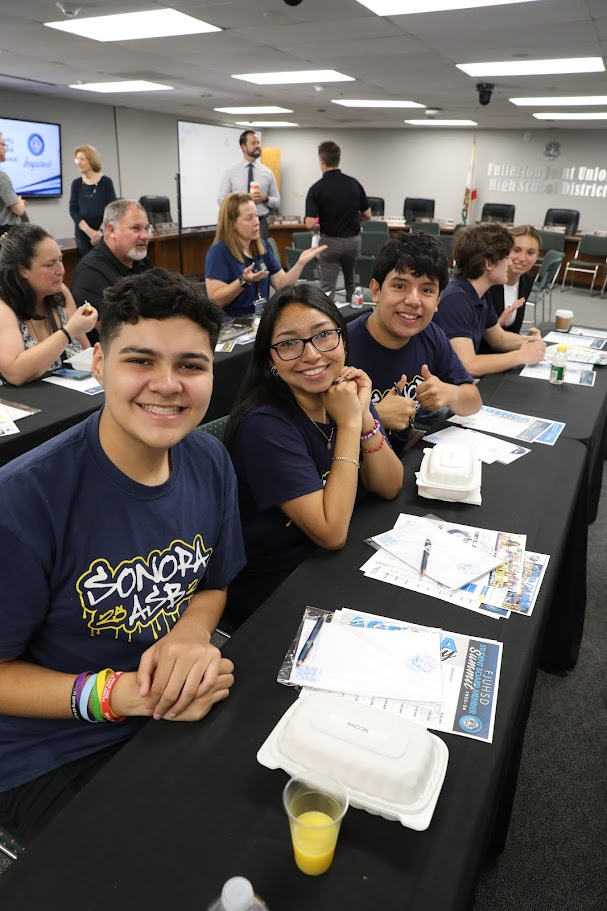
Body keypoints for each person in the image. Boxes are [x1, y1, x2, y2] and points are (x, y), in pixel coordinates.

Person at [0, 267, 245, 844]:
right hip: (48, 746)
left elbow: (212, 584)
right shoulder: (26, 500)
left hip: (163, 706)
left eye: (191, 365)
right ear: (98, 363)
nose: (168, 384)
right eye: (140, 360)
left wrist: (190, 635)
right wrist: (117, 694)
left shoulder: (209, 462)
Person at [224, 284, 404, 629]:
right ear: (271, 358)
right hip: (279, 581)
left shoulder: (342, 395)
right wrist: (350, 424)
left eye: (324, 336)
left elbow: (389, 485)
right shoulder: (264, 425)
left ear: (342, 340)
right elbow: (330, 532)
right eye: (289, 343)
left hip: (335, 559)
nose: (311, 354)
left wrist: (364, 415)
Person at [347, 232, 481, 451]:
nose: (413, 300)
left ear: (438, 300)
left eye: (427, 290)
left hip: (403, 457)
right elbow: (311, 428)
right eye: (400, 286)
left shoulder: (431, 335)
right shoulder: (342, 346)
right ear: (376, 290)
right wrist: (373, 416)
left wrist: (450, 393)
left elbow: (473, 401)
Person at [433, 222, 546, 377]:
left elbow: (499, 338)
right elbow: (467, 365)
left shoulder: (480, 294)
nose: (510, 262)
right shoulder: (456, 299)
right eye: (506, 257)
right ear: (488, 263)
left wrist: (530, 343)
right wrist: (521, 356)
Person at [0, 223, 96, 386]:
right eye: (50, 265)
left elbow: (88, 355)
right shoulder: (4, 307)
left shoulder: (60, 293)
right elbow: (15, 373)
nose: (61, 270)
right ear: (23, 270)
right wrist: (69, 331)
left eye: (60, 260)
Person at [205, 192, 326, 319]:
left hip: (261, 319)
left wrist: (300, 263)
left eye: (256, 216)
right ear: (232, 223)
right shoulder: (219, 252)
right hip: (234, 324)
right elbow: (215, 300)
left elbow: (281, 285)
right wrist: (243, 281)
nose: (256, 222)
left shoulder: (262, 247)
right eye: (249, 218)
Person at [71, 199, 153, 342]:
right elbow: (114, 333)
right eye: (136, 228)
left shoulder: (143, 264)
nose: (145, 236)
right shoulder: (89, 274)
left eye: (146, 228)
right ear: (111, 230)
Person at [304, 140, 371, 302]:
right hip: (353, 242)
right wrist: (354, 218)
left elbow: (310, 223)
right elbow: (368, 214)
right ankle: (352, 316)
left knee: (327, 287)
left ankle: (328, 320)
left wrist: (320, 224)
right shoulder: (354, 184)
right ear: (338, 159)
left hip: (329, 243)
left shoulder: (316, 188)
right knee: (352, 284)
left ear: (322, 161)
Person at [482, 225, 541, 350]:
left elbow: (514, 331)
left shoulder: (526, 280)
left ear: (537, 256)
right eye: (516, 250)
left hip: (507, 351)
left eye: (530, 253)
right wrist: (498, 325)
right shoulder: (489, 281)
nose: (522, 258)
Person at [217, 130, 280, 241]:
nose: (257, 146)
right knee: (238, 256)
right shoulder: (230, 172)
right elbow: (221, 200)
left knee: (260, 256)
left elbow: (277, 202)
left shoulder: (267, 172)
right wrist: (242, 198)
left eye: (258, 143)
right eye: (253, 143)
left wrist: (266, 198)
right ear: (244, 147)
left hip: (260, 223)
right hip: (237, 224)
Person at [69, 144, 116, 258]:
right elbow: (73, 210)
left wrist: (99, 233)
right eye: (77, 159)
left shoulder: (106, 182)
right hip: (83, 234)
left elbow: (111, 209)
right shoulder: (76, 184)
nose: (78, 162)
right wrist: (89, 232)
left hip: (104, 233)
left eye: (82, 159)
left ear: (92, 160)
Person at [0, 131, 27, 237]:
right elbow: (18, 210)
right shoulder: (2, 177)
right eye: (4, 145)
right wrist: (20, 202)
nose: (6, 149)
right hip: (5, 232)